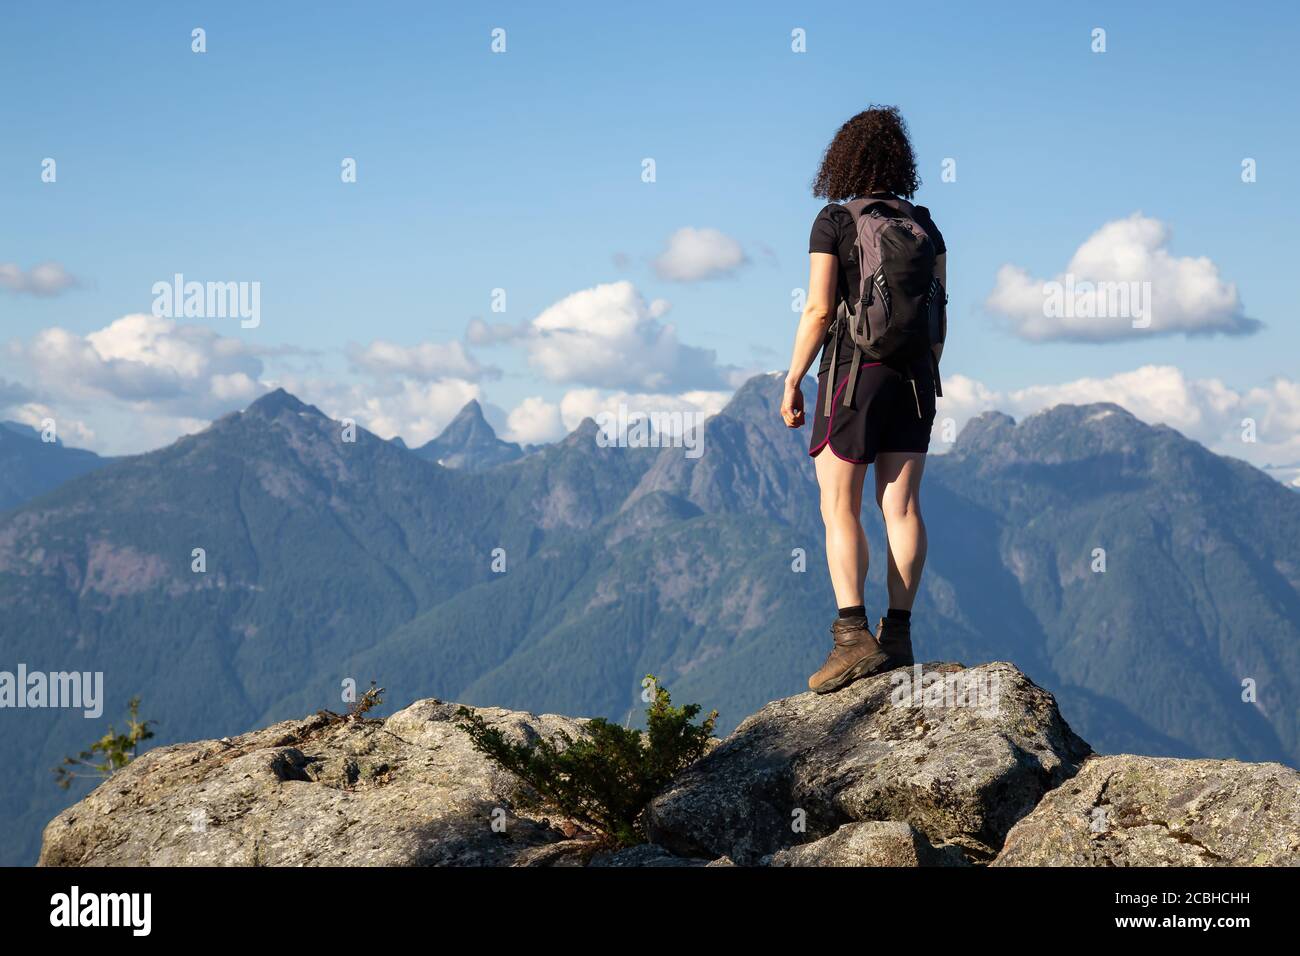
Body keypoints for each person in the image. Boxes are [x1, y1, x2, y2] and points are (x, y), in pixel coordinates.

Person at [780, 106, 947, 694]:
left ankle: (852, 638)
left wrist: (794, 377)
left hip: (854, 375)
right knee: (901, 508)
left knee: (839, 505)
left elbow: (820, 309)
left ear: (842, 159)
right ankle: (897, 635)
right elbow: (938, 318)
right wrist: (925, 375)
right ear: (902, 160)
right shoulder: (926, 225)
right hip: (915, 379)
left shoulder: (835, 222)